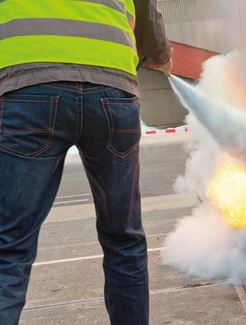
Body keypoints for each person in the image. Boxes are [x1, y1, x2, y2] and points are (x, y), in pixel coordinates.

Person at [0, 1, 172, 324]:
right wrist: (162, 56)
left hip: (30, 83)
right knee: (124, 240)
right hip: (112, 88)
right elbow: (149, 21)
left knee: (8, 249)